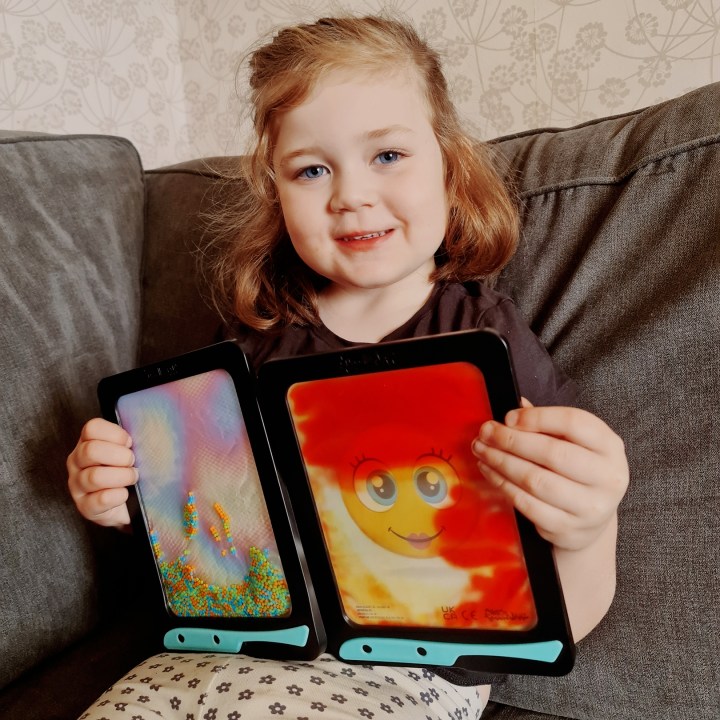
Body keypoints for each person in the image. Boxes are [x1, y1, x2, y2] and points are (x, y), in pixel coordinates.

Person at [68, 15, 629, 720]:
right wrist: (125, 499)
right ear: (276, 193)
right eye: (312, 170)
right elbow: (202, 532)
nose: (351, 195)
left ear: (449, 167)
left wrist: (588, 528)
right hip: (221, 651)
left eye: (387, 155)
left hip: (407, 669)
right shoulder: (251, 344)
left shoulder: (485, 338)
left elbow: (559, 614)